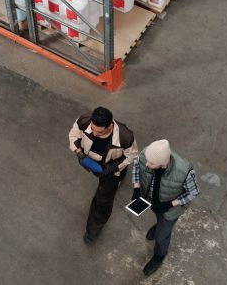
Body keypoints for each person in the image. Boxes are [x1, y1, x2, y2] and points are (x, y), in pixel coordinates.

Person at [69, 107, 138, 245]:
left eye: (98, 132)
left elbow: (131, 155)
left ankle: (94, 229)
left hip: (110, 169)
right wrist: (78, 152)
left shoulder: (125, 137)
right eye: (92, 129)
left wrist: (109, 169)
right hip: (89, 160)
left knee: (103, 200)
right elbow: (73, 135)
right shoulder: (85, 121)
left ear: (110, 126)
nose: (93, 133)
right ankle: (120, 175)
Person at [131, 139, 200, 276]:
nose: (147, 164)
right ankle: (158, 225)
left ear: (163, 163)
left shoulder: (184, 171)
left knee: (162, 236)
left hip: (170, 210)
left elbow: (193, 192)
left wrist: (170, 204)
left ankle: (159, 256)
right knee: (158, 217)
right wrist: (137, 188)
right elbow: (137, 166)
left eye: (151, 163)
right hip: (154, 203)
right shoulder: (147, 154)